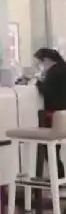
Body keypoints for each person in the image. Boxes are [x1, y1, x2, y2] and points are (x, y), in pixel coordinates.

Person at [35, 48, 66, 178]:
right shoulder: (63, 68)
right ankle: (60, 179)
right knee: (56, 149)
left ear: (47, 60)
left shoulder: (54, 72)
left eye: (41, 62)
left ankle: (57, 178)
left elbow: (46, 91)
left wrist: (38, 83)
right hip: (62, 117)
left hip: (54, 117)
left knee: (50, 149)